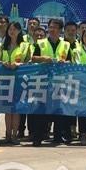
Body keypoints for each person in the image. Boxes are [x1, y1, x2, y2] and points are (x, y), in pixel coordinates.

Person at [31, 18, 71, 146]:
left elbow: (70, 61)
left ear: (60, 30)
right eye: (50, 27)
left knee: (58, 109)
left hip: (59, 81)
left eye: (55, 28)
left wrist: (65, 62)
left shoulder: (66, 45)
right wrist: (43, 58)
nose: (52, 30)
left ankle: (58, 136)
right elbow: (33, 58)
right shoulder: (41, 43)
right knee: (41, 110)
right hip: (43, 80)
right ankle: (38, 137)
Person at [0, 21, 31, 145]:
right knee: (8, 109)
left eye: (14, 29)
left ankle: (15, 135)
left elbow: (29, 62)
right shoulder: (2, 45)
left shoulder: (25, 46)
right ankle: (8, 134)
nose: (12, 32)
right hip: (5, 80)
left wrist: (18, 64)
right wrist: (2, 63)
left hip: (19, 80)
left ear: (19, 31)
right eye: (10, 29)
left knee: (16, 109)